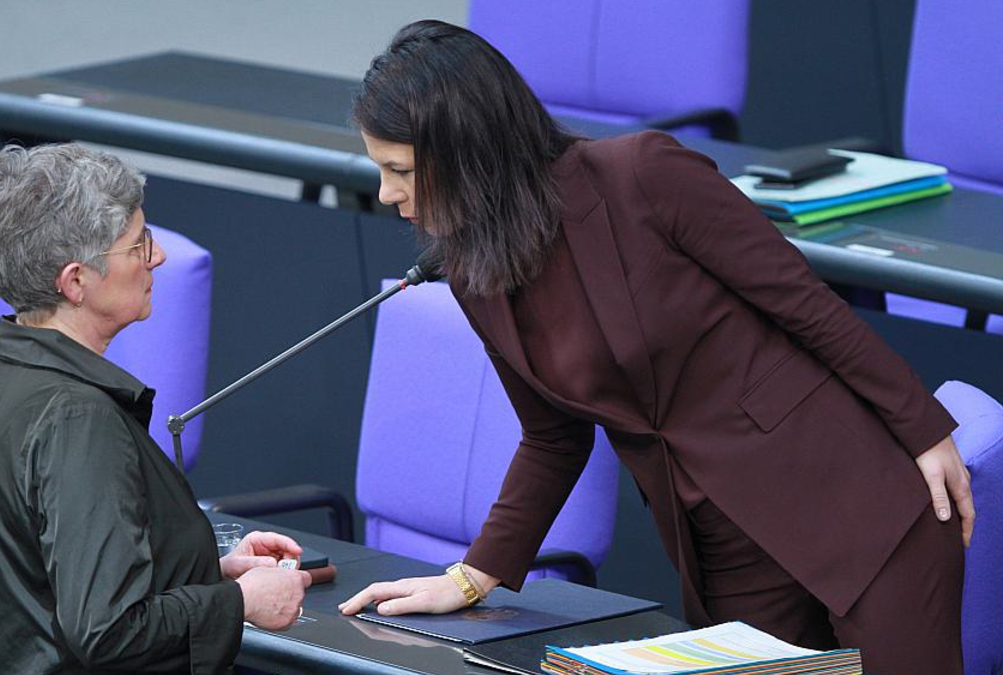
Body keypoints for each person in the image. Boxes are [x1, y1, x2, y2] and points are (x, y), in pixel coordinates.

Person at [338, 20, 974, 674]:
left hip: (852, 503)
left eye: (400, 170)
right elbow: (554, 438)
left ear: (469, 148)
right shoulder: (476, 271)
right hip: (723, 550)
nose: (389, 195)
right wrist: (472, 575)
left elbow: (806, 305)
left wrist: (925, 431)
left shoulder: (641, 176)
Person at [0, 143, 311, 675]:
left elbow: (48, 573)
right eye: (139, 244)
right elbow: (108, 630)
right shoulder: (77, 418)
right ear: (76, 281)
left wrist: (207, 571)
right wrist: (241, 603)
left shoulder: (3, 377)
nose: (158, 257)